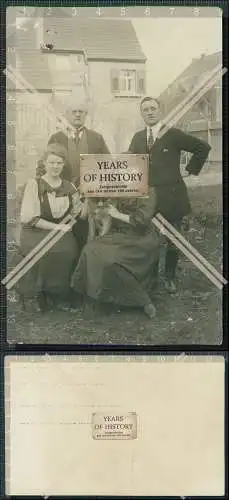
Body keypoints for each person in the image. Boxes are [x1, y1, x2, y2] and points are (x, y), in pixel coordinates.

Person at [128, 96, 211, 292]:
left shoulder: (172, 134)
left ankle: (169, 278)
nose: (149, 112)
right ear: (142, 114)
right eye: (145, 109)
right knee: (148, 238)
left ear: (160, 111)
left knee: (173, 239)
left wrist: (190, 169)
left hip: (172, 197)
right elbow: (130, 161)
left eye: (153, 109)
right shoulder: (138, 137)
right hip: (147, 199)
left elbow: (202, 147)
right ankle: (150, 277)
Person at [16, 143, 87, 312]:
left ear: (64, 165)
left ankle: (57, 294)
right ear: (44, 164)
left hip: (60, 231)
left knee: (68, 250)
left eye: (59, 163)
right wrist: (57, 228)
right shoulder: (34, 184)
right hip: (36, 230)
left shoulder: (69, 186)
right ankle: (35, 293)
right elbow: (28, 218)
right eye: (52, 163)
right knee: (42, 251)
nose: (55, 167)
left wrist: (89, 197)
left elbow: (81, 215)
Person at [71, 188, 160, 319]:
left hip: (140, 238)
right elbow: (102, 217)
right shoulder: (117, 185)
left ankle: (142, 301)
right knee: (89, 250)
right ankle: (92, 297)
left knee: (108, 258)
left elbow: (142, 221)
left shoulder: (148, 190)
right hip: (118, 235)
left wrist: (116, 214)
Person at [37, 100, 110, 251]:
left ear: (85, 115)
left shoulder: (96, 138)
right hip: (61, 196)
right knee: (63, 237)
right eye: (74, 111)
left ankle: (82, 269)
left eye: (81, 112)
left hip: (88, 198)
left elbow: (107, 165)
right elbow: (44, 165)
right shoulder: (57, 137)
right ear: (67, 115)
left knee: (86, 237)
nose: (77, 114)